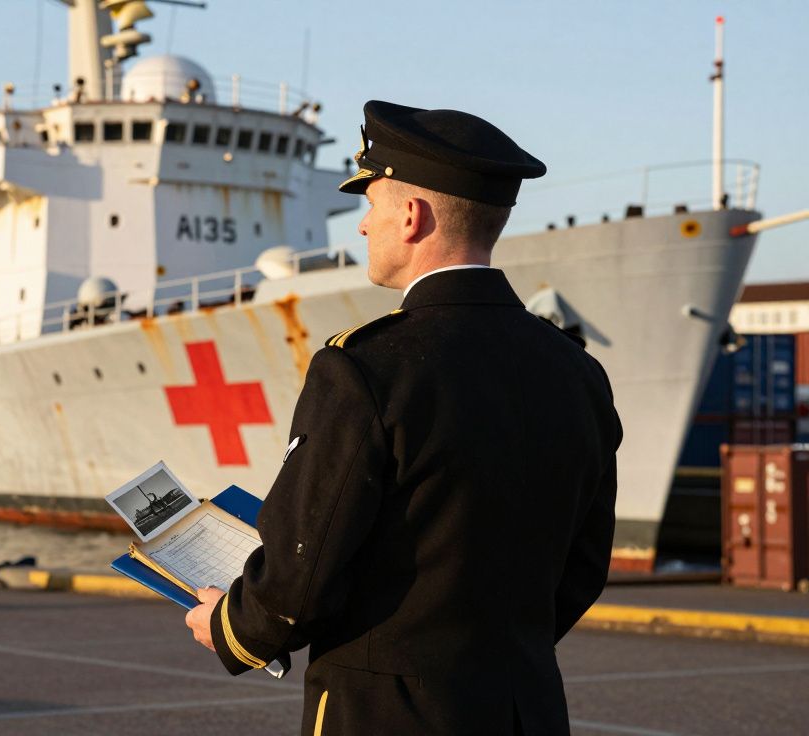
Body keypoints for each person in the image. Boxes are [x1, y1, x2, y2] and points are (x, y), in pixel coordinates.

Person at [184, 100, 622, 735]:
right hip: (525, 709)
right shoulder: (576, 371)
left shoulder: (364, 368)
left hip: (386, 716)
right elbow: (584, 565)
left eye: (371, 206)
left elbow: (301, 573)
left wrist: (232, 626)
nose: (363, 227)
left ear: (411, 217)